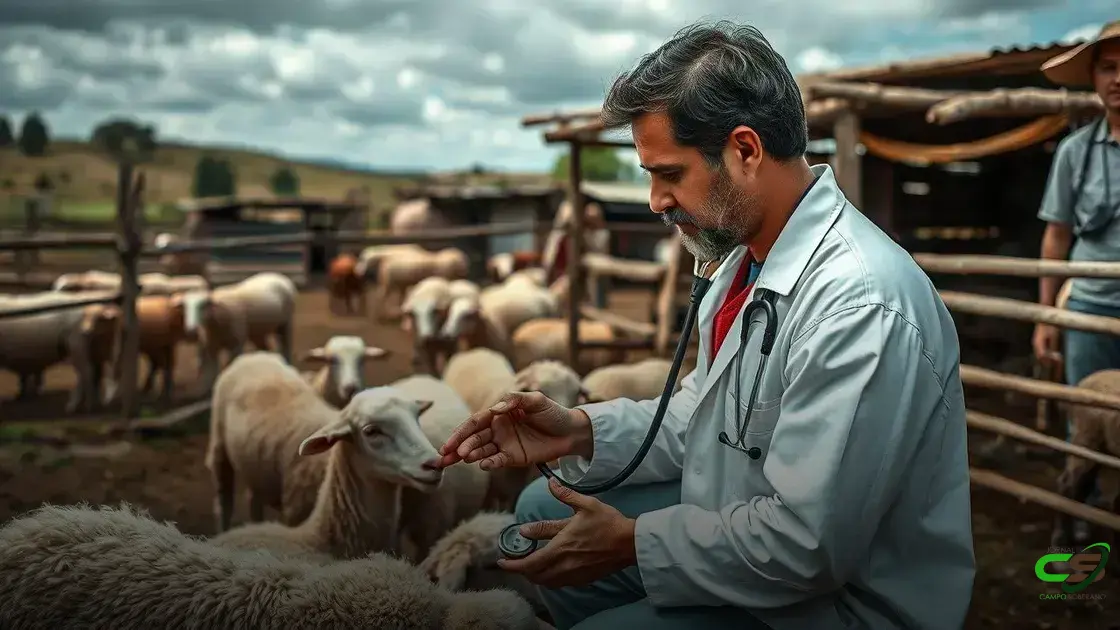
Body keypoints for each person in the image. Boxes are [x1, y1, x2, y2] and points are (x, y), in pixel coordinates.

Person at [438, 20, 975, 630]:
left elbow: (808, 547)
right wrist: (578, 430)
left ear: (745, 152)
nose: (655, 201)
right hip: (751, 522)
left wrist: (634, 541)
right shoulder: (745, 262)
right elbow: (707, 415)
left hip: (841, 603)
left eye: (669, 174)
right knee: (540, 508)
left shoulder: (859, 308)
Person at [1033, 20, 1120, 540]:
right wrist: (1047, 316)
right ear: (1093, 78)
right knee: (1086, 427)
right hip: (1087, 310)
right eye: (1108, 68)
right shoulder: (1075, 152)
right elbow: (1055, 239)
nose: (1118, 79)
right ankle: (1081, 526)